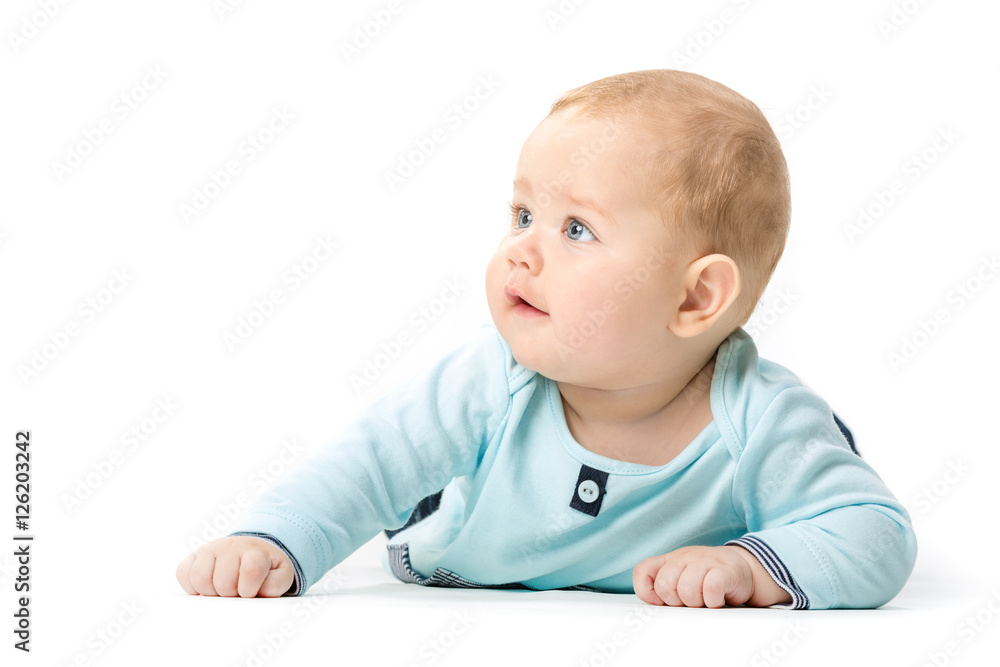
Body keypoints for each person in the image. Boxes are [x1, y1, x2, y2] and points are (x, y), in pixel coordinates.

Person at [176, 69, 916, 609]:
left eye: (576, 229)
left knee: (825, 466)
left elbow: (877, 533)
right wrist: (274, 539)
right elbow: (365, 462)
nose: (522, 251)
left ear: (695, 297)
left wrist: (751, 567)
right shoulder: (492, 380)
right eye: (522, 214)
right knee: (406, 466)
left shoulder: (760, 415)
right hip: (461, 550)